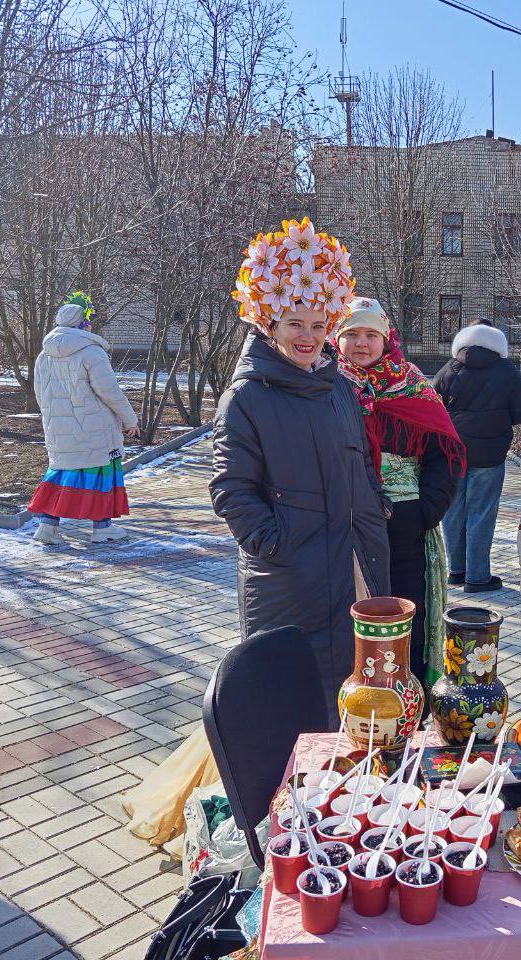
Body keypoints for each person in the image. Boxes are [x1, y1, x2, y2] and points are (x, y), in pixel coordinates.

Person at [123, 218, 388, 853]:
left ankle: (343, 808)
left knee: (350, 687)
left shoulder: (337, 390)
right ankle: (279, 823)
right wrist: (276, 543)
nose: (308, 337)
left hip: (352, 564)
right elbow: (230, 489)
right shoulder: (247, 396)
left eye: (318, 325)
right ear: (267, 323)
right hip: (288, 574)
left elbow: (358, 469)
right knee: (290, 700)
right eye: (294, 323)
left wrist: (373, 523)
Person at [334, 296, 464, 688]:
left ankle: (408, 700)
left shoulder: (413, 387)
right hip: (345, 522)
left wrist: (426, 510)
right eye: (351, 333)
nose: (362, 343)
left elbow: (445, 452)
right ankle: (357, 700)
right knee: (353, 614)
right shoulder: (328, 386)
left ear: (386, 337)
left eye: (371, 334)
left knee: (409, 611)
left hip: (406, 523)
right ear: (336, 339)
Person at [434, 320, 521, 593]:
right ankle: (477, 577)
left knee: (452, 510)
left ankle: (455, 571)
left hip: (452, 451)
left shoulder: (451, 368)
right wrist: (501, 420)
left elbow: (431, 404)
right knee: (482, 512)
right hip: (490, 454)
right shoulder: (505, 370)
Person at [29, 292, 139, 544]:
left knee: (61, 473)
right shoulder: (91, 352)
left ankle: (47, 527)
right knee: (100, 472)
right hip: (94, 426)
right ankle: (102, 528)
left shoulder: (43, 355)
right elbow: (110, 392)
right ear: (82, 324)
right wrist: (130, 420)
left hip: (59, 427)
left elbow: (39, 393)